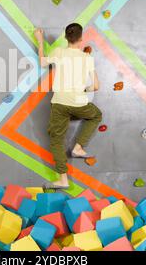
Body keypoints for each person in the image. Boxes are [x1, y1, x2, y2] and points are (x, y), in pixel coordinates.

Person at [34, 23, 102, 189]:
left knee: (57, 140)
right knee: (96, 115)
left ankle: (63, 180)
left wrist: (40, 40)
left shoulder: (59, 52)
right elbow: (96, 86)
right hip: (79, 102)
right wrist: (85, 89)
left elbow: (42, 62)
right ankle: (78, 148)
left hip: (60, 103)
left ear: (66, 38)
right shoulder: (87, 58)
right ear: (81, 39)